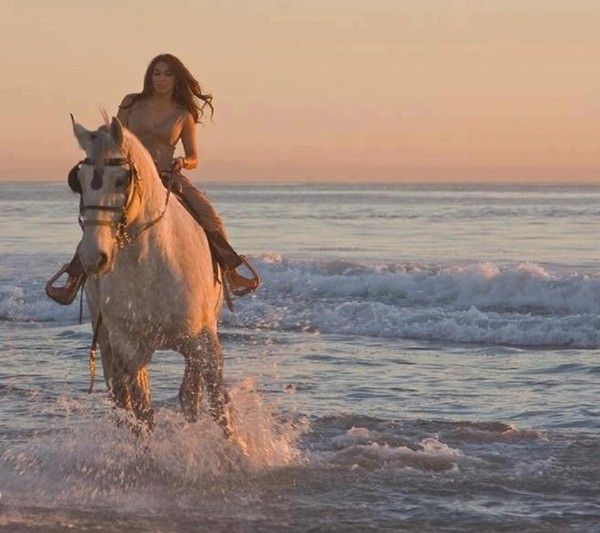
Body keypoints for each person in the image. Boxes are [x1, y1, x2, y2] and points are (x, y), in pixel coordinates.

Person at [45, 53, 260, 305]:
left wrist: (183, 161)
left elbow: (193, 156)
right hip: (131, 176)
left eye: (168, 74)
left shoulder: (183, 114)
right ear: (149, 76)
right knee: (100, 215)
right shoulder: (131, 103)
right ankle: (74, 278)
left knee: (208, 214)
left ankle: (230, 272)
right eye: (156, 73)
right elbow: (115, 137)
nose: (161, 79)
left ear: (176, 79)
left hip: (167, 175)